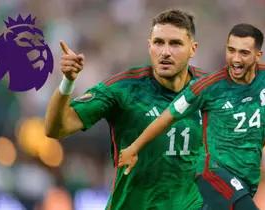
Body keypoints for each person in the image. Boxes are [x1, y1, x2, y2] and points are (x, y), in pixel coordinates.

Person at [118, 23, 265, 210]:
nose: (235, 58)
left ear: (257, 55)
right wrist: (134, 147)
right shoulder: (208, 86)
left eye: (243, 52)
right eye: (231, 50)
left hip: (247, 179)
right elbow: (167, 117)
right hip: (213, 173)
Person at [45, 9, 206, 210]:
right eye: (158, 42)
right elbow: (55, 129)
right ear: (149, 46)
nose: (165, 51)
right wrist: (67, 82)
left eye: (175, 43)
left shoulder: (212, 92)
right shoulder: (124, 89)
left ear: (193, 48)